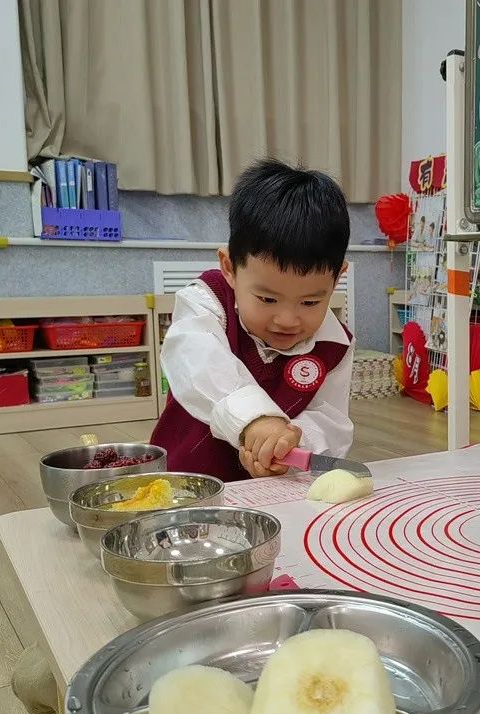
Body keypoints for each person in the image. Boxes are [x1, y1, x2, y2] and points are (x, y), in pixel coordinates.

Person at [151, 158, 355, 481]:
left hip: (272, 498)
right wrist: (255, 419)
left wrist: (290, 441)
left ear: (338, 278)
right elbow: (197, 361)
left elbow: (331, 422)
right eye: (267, 299)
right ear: (230, 268)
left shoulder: (335, 344)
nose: (287, 319)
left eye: (311, 301)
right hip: (185, 484)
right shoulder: (206, 301)